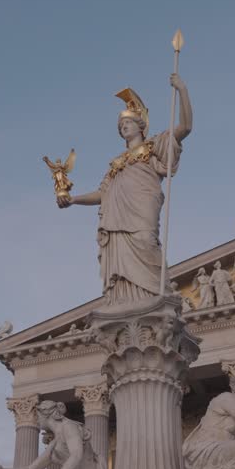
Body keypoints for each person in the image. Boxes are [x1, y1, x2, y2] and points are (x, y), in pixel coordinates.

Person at [58, 75, 193, 304]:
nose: (123, 127)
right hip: (117, 218)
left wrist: (182, 90)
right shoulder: (116, 164)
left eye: (128, 123)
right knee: (122, 264)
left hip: (143, 207)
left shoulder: (154, 147)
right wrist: (73, 200)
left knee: (146, 242)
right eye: (121, 126)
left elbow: (185, 127)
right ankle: (128, 302)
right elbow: (103, 195)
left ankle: (160, 298)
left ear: (141, 125)